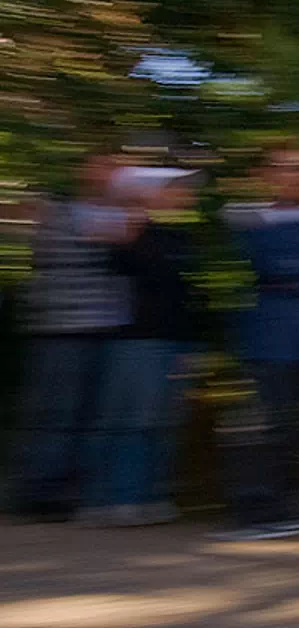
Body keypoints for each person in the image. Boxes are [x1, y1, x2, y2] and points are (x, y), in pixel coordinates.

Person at [219, 145, 299, 538]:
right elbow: (271, 266)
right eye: (293, 170)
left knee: (294, 425)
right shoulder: (253, 218)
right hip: (268, 339)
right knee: (264, 425)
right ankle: (254, 512)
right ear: (269, 174)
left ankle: (281, 507)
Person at [10, 153, 131, 520]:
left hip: (105, 329)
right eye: (104, 166)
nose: (111, 174)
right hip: (62, 329)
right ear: (85, 171)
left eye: (115, 168)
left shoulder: (118, 214)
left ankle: (75, 492)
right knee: (57, 413)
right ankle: (40, 496)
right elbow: (104, 237)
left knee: (91, 415)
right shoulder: (60, 211)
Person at [79, 166, 203, 524]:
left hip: (173, 343)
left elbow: (186, 295)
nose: (184, 194)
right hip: (135, 342)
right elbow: (117, 272)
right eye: (174, 188)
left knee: (163, 421)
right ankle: (116, 499)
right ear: (149, 193)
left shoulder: (179, 237)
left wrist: (190, 347)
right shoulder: (127, 235)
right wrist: (131, 220)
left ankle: (150, 496)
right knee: (133, 422)